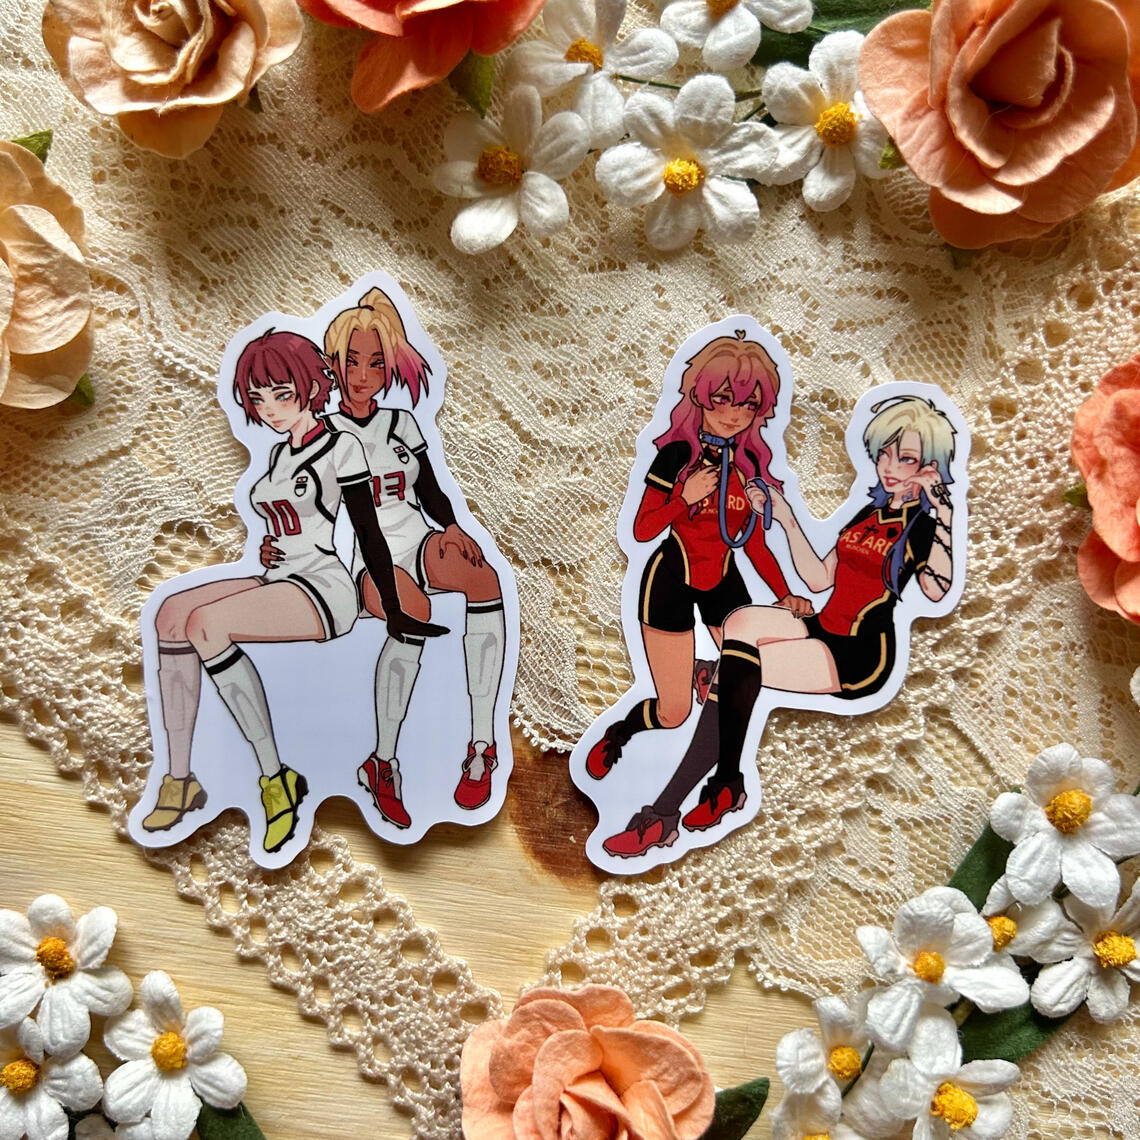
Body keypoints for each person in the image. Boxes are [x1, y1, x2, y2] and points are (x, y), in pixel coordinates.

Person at [603, 393, 958, 858]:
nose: (889, 466)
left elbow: (937, 589)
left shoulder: (925, 528)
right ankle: (725, 776)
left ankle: (671, 810)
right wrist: (785, 516)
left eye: (905, 458)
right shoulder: (869, 512)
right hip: (822, 627)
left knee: (735, 674)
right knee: (740, 622)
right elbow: (819, 578)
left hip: (857, 654)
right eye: (885, 453)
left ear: (931, 466)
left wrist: (945, 512)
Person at [143, 329, 444, 853]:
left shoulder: (341, 446)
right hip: (278, 577)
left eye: (282, 394)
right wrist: (268, 548)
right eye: (258, 399)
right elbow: (286, 523)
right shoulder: (279, 455)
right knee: (169, 613)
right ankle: (180, 778)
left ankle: (275, 778)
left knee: (205, 624)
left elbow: (368, 531)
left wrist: (393, 606)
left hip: (324, 588)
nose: (270, 410)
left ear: (310, 388)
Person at [260, 287, 506, 828]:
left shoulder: (401, 423)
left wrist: (453, 528)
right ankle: (384, 762)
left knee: (484, 577)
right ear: (331, 363)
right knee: (413, 609)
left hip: (417, 541)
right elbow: (295, 505)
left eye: (375, 362)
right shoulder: (320, 434)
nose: (362, 375)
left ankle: (482, 745)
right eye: (351, 361)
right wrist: (274, 545)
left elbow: (431, 491)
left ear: (389, 366)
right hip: (363, 561)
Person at [585, 330, 811, 781]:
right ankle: (619, 732)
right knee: (674, 713)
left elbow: (752, 543)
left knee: (750, 675)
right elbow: (642, 529)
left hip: (723, 580)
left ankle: (710, 675)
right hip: (670, 579)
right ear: (700, 396)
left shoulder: (749, 465)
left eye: (748, 404)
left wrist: (785, 593)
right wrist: (683, 498)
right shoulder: (677, 454)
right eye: (723, 398)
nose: (734, 414)